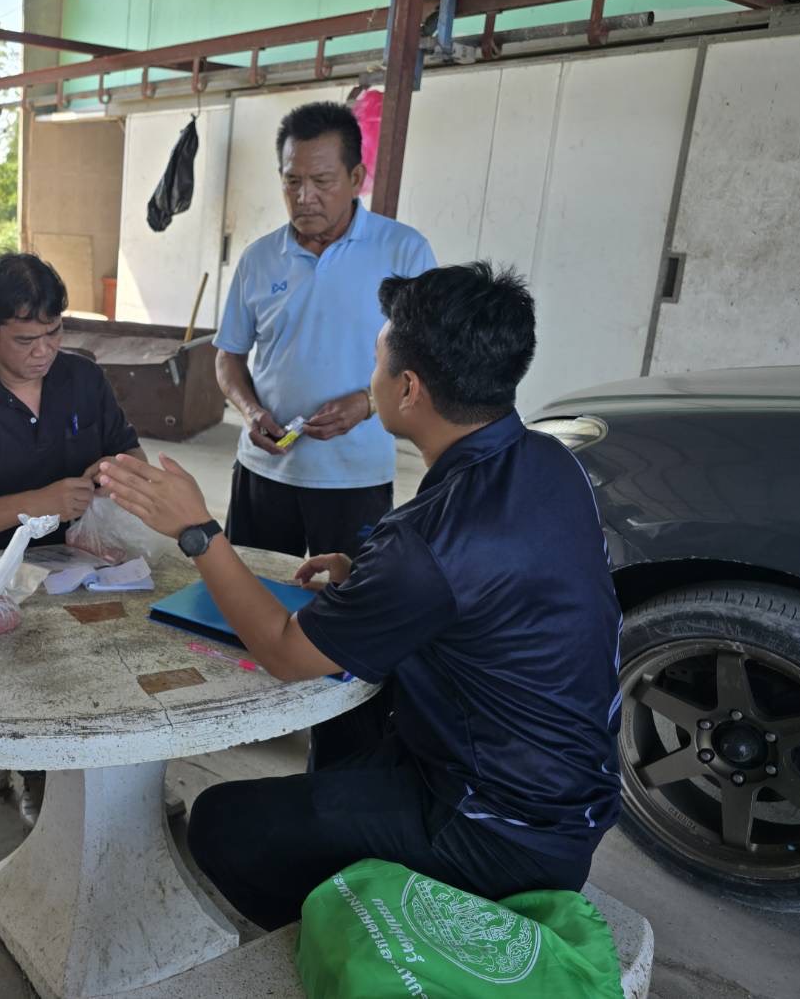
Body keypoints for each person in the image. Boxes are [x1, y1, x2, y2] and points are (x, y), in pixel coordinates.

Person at [99, 263, 623, 930]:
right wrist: (366, 574)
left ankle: (362, 930)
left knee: (223, 822)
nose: (370, 377)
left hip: (494, 831)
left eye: (376, 362)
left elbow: (286, 653)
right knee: (345, 713)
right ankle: (349, 840)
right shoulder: (549, 462)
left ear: (408, 388)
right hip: (568, 798)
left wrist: (198, 531)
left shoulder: (427, 543)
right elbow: (492, 587)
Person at [214, 100, 436, 563]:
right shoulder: (259, 259)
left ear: (356, 178)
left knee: (348, 593)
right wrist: (250, 411)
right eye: (292, 181)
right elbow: (228, 355)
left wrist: (368, 403)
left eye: (321, 181)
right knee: (252, 588)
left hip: (355, 476)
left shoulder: (403, 251)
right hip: (265, 469)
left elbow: (429, 358)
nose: (304, 196)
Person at [0, 251, 144, 551]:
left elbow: (133, 455)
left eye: (54, 332)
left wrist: (116, 471)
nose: (43, 351)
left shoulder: (84, 378)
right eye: (25, 340)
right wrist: (36, 504)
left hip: (80, 558)